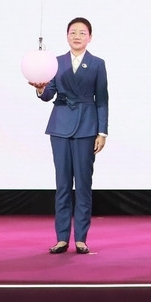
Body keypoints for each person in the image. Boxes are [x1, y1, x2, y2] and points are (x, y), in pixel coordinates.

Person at [32, 17, 108, 255]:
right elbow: (49, 95)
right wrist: (41, 88)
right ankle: (62, 238)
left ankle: (81, 239)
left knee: (83, 184)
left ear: (90, 37)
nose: (77, 36)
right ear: (67, 36)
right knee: (63, 184)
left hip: (87, 126)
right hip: (60, 126)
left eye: (82, 33)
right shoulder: (56, 62)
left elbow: (102, 99)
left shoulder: (97, 63)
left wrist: (102, 131)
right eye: (73, 32)